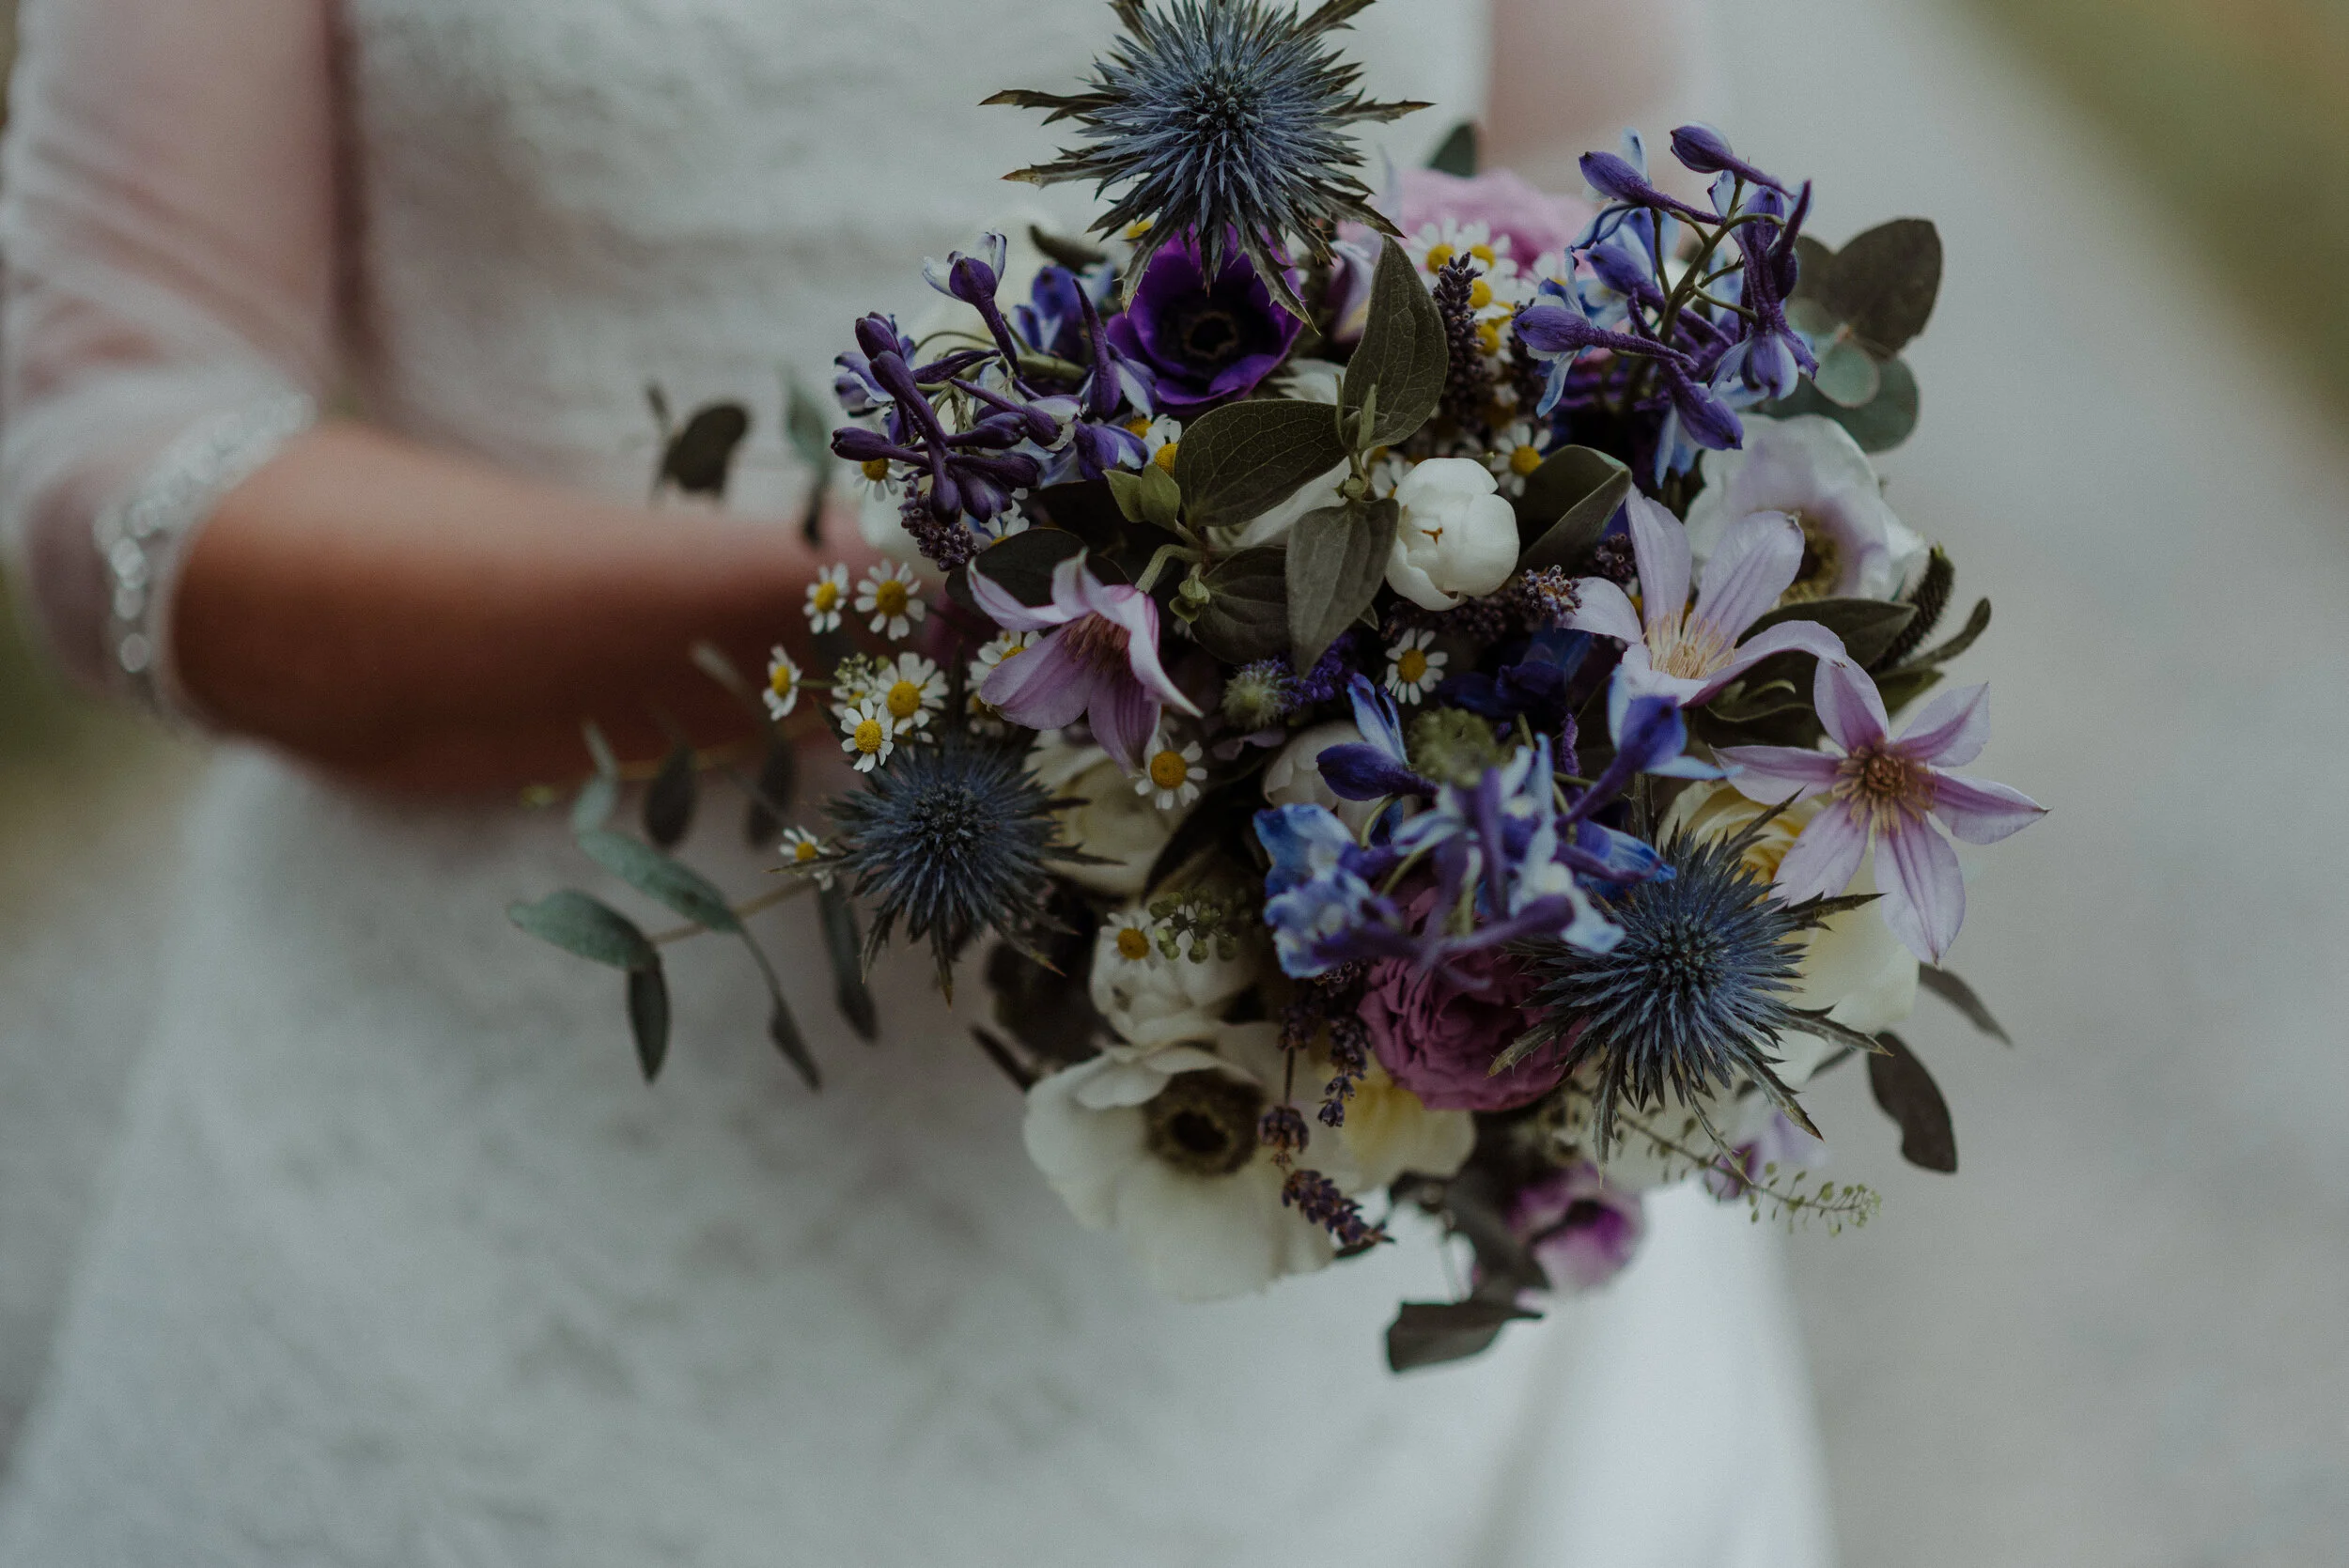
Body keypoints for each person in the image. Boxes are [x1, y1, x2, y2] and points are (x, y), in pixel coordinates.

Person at [0, 0, 1831, 1562]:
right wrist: (929, 598)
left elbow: (1650, 296)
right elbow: (122, 443)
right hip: (458, 1234)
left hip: (1279, 1293)